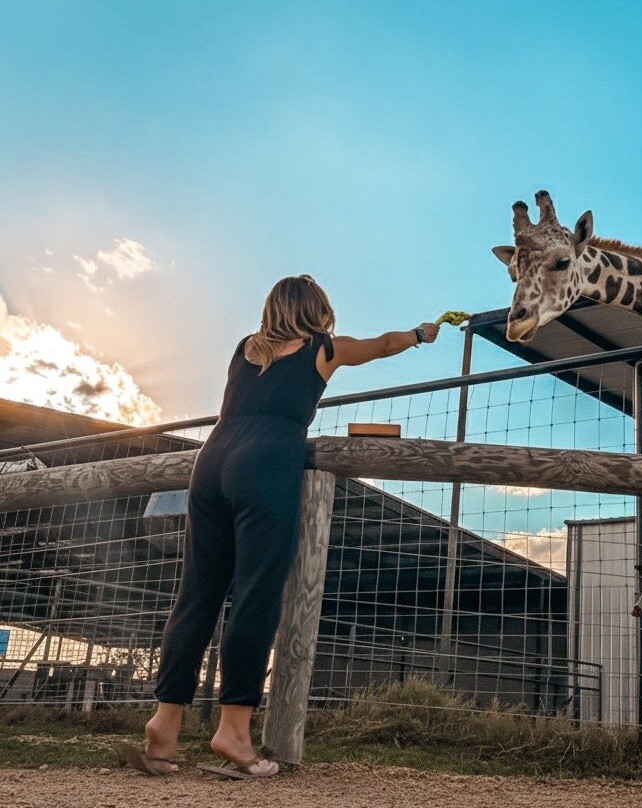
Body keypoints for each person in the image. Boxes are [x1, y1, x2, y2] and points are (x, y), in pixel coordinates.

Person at [119, 274, 439, 778]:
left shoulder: (245, 349)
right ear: (317, 310)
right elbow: (380, 346)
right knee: (255, 595)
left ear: (272, 309)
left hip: (210, 465)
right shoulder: (323, 350)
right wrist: (420, 334)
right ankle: (234, 731)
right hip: (265, 466)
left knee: (197, 596)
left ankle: (164, 721)